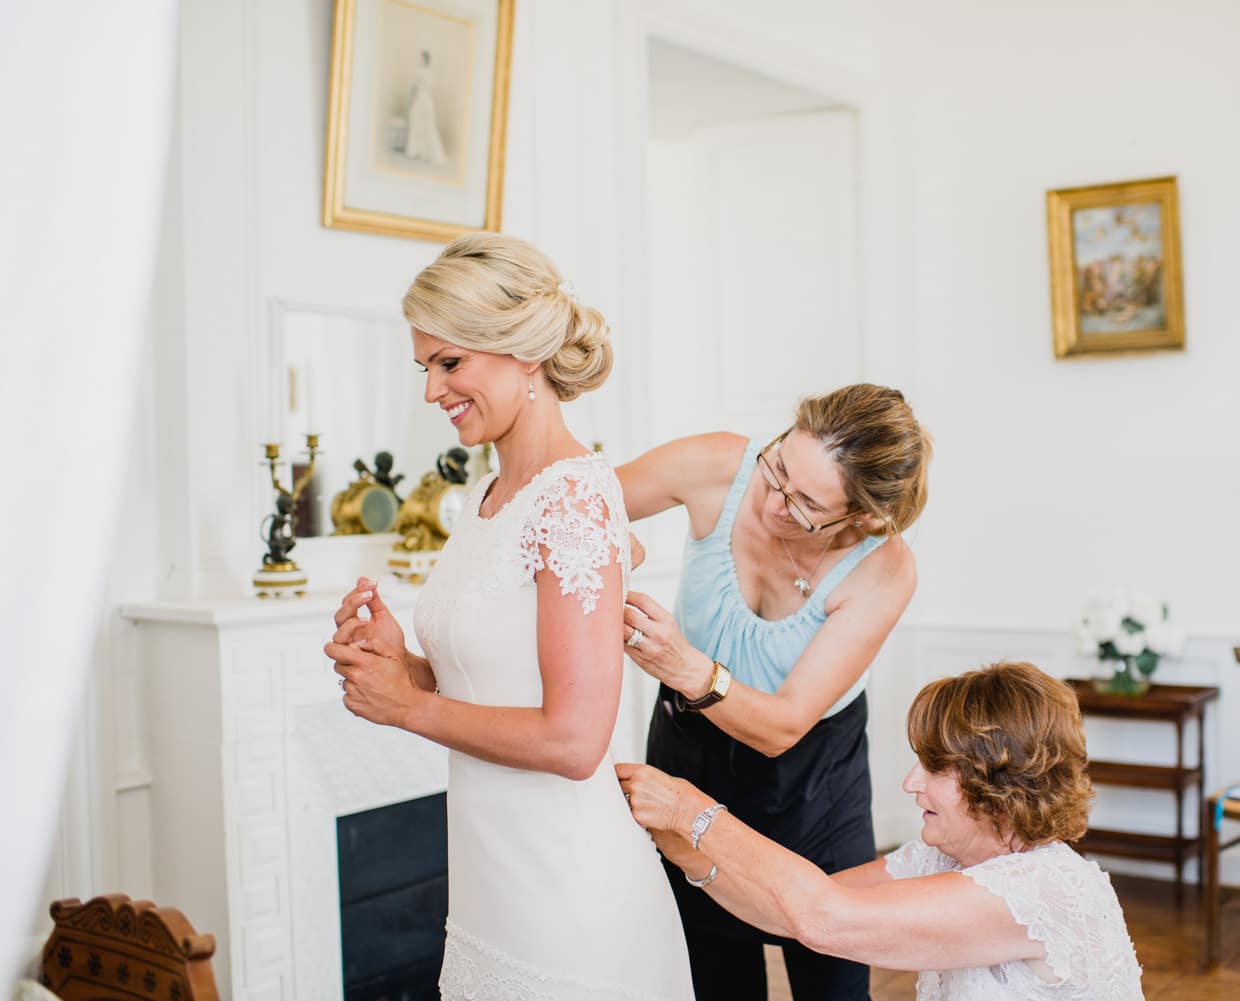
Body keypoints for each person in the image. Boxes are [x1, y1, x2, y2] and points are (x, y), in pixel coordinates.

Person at [324, 233, 693, 1001]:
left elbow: (572, 738)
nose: (432, 390)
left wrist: (408, 706)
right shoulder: (488, 497)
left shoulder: (577, 500)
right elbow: (497, 680)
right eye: (425, 365)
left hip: (568, 894)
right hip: (495, 886)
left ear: (524, 354)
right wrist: (406, 664)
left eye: (449, 362)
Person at [615, 384, 930, 1001]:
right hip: (691, 757)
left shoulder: (883, 567)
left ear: (862, 518)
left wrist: (683, 665)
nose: (774, 502)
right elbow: (570, 501)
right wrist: (603, 541)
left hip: (811, 781)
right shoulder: (718, 467)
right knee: (712, 977)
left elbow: (783, 726)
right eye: (779, 467)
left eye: (806, 503)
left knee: (831, 979)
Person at [617, 662, 1145, 1001]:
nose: (910, 783)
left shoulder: (1042, 889)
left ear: (999, 782)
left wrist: (693, 811)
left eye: (935, 769)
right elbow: (791, 918)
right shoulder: (941, 858)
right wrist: (685, 851)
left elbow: (824, 919)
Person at [403, 49, 447, 165]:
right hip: (427, 101)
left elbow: (415, 88)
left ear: (425, 60)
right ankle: (420, 151)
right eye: (419, 58)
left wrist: (411, 98)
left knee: (420, 123)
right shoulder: (431, 73)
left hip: (422, 100)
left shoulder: (421, 72)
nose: (419, 60)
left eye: (421, 58)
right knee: (422, 124)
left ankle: (417, 152)